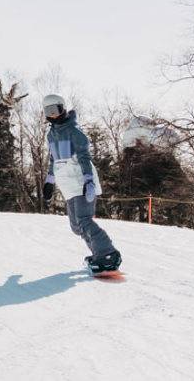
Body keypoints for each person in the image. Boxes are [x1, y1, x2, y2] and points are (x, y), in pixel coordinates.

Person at [42, 93, 121, 275]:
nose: (52, 115)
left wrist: (89, 181)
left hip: (80, 181)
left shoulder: (74, 132)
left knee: (84, 221)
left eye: (55, 110)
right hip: (67, 185)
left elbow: (85, 158)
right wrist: (49, 180)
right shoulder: (51, 134)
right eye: (48, 111)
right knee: (76, 227)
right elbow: (53, 159)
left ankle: (108, 253)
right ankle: (98, 253)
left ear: (62, 109)